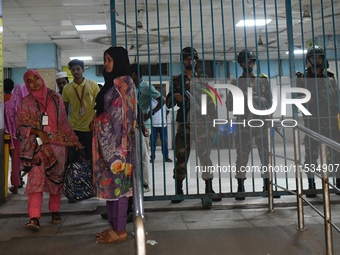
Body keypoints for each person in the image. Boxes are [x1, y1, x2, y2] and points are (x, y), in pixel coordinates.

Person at [16, 70, 82, 232]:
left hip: (57, 147)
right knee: (35, 181)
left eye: (36, 79)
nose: (34, 83)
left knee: (56, 181)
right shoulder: (26, 102)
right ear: (27, 84)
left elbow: (63, 122)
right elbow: (20, 129)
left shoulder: (54, 98)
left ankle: (55, 210)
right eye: (29, 81)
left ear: (41, 79)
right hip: (37, 148)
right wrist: (38, 132)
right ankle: (34, 217)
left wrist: (74, 140)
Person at [166, 46, 221, 203]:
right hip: (184, 125)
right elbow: (168, 103)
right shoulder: (177, 80)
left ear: (196, 60)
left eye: (193, 58)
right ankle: (179, 190)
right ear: (183, 60)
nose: (190, 60)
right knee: (181, 158)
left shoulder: (202, 79)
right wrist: (176, 97)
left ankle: (209, 188)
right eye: (187, 58)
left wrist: (214, 123)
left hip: (202, 124)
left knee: (205, 157)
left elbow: (211, 102)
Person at [92, 46, 136, 243]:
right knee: (112, 187)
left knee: (120, 188)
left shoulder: (124, 85)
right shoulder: (112, 84)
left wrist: (99, 122)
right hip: (109, 144)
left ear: (119, 61)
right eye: (105, 60)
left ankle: (120, 230)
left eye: (110, 60)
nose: (106, 63)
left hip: (119, 146)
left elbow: (119, 118)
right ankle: (113, 226)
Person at [226, 49, 272, 200]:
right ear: (241, 64)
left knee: (265, 155)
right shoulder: (235, 83)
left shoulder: (263, 81)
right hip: (242, 124)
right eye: (246, 61)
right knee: (242, 156)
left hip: (260, 123)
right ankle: (240, 187)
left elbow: (270, 103)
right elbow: (229, 105)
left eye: (251, 61)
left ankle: (268, 185)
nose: (249, 64)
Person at [296, 45, 340, 197]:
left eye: (319, 57)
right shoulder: (302, 79)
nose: (317, 60)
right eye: (314, 57)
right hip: (312, 122)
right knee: (311, 155)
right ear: (309, 60)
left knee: (334, 154)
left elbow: (336, 97)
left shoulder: (330, 77)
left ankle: (338, 183)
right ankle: (312, 184)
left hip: (331, 122)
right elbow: (299, 100)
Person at [130, 63, 163, 192]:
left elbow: (162, 100)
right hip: (131, 125)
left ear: (133, 75)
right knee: (133, 155)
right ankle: (135, 181)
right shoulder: (130, 87)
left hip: (143, 126)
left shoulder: (146, 87)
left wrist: (150, 113)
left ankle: (145, 183)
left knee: (143, 155)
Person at [62, 59, 100, 162]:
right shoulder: (67, 88)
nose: (76, 72)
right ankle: (74, 177)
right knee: (73, 157)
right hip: (74, 127)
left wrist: (95, 120)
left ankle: (90, 177)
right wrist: (64, 127)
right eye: (73, 70)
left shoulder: (92, 84)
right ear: (70, 71)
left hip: (89, 127)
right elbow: (64, 109)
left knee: (90, 157)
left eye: (78, 69)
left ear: (83, 70)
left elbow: (100, 104)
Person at [150, 98, 172, 163]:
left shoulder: (164, 100)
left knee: (164, 142)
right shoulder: (151, 101)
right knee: (153, 143)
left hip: (163, 124)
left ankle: (166, 157)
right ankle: (152, 157)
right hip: (153, 124)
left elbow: (167, 110)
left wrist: (164, 116)